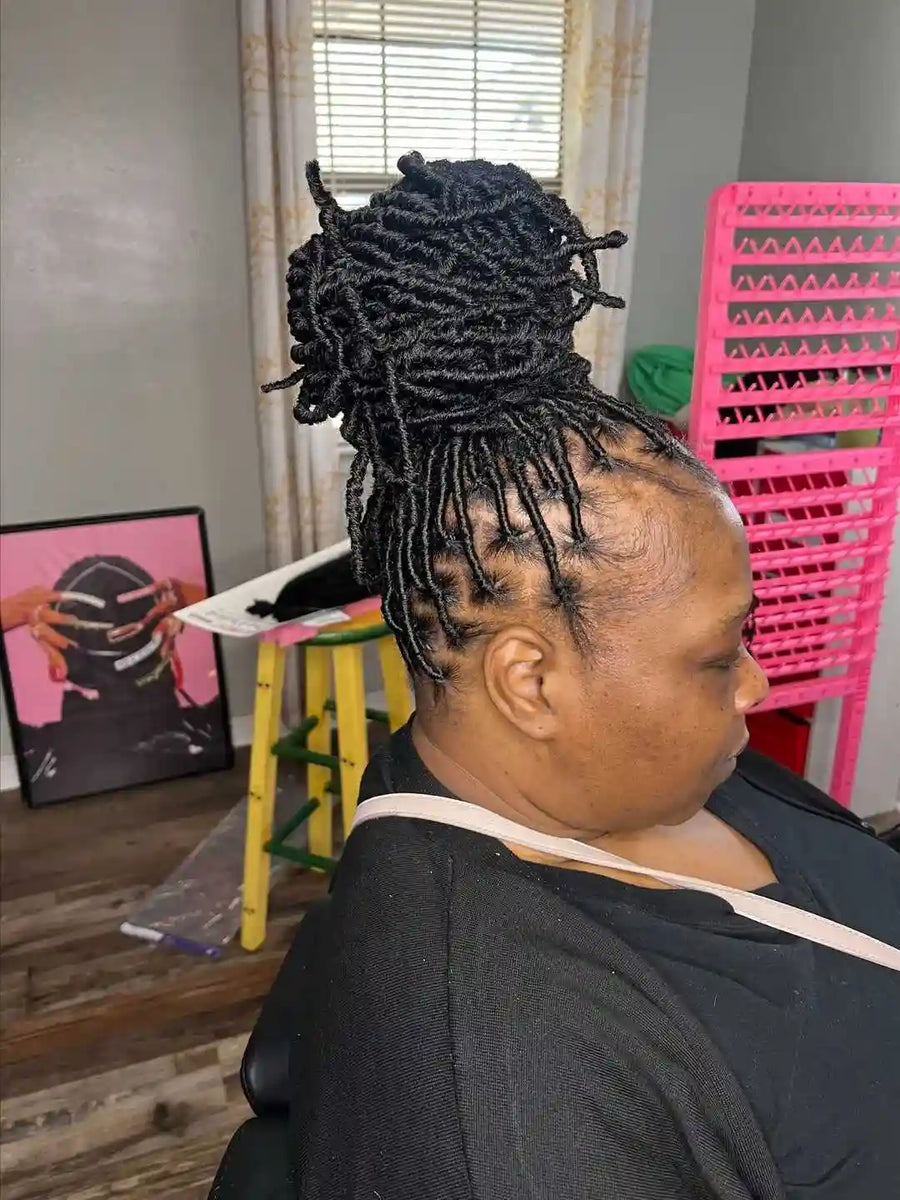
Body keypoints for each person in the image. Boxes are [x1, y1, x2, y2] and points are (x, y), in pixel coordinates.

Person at [267, 154, 900, 1198]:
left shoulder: (643, 764)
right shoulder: (512, 1107)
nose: (752, 684)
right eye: (718, 654)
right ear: (531, 681)